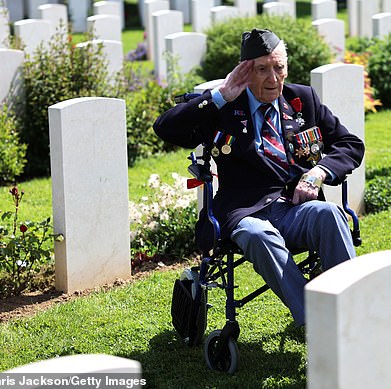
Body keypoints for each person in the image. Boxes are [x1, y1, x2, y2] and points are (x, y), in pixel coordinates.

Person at [154, 28, 364, 326]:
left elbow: (350, 144)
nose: (273, 78)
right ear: (245, 72)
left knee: (330, 214)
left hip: (295, 206)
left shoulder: (302, 99)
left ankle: (357, 312)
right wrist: (220, 96)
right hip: (244, 210)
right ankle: (319, 322)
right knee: (259, 234)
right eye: (262, 69)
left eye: (278, 68)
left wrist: (318, 173)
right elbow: (165, 128)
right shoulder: (224, 108)